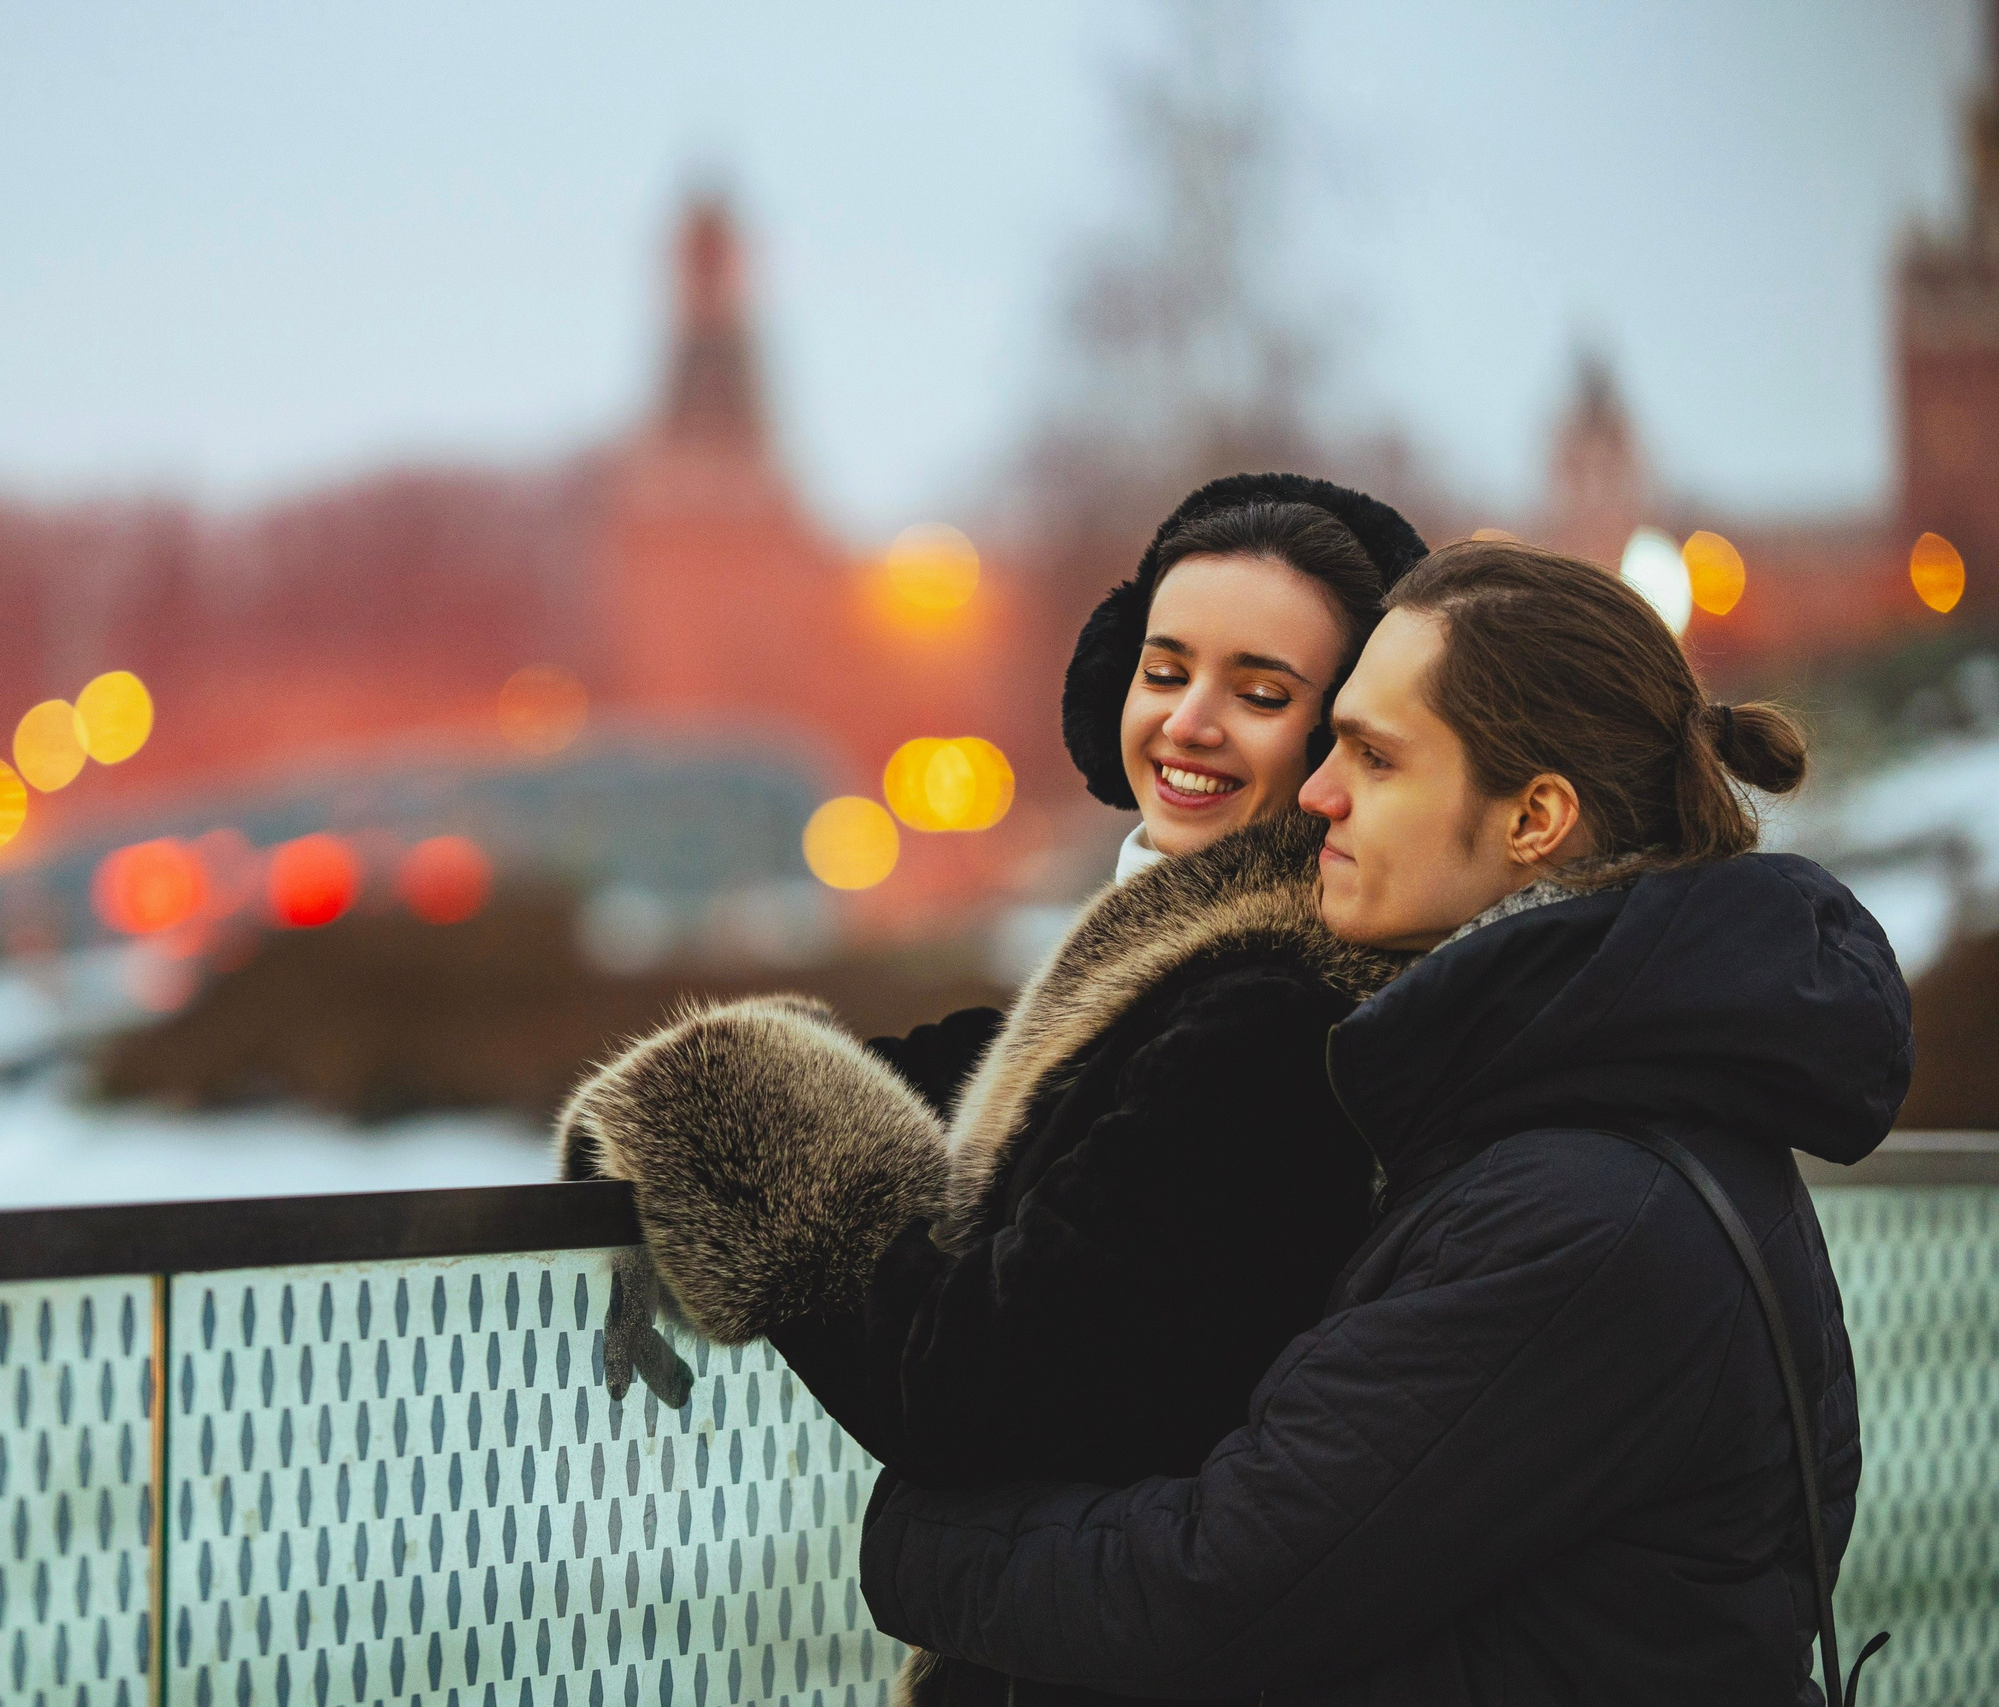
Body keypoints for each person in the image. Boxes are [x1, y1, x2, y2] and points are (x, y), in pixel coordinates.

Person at [857, 539, 1912, 1707]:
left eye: (1372, 755)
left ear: (1536, 818)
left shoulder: (1580, 1216)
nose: (1316, 792)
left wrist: (914, 1536)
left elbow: (1205, 1591)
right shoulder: (1557, 1110)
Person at [557, 472, 1426, 1707]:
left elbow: (970, 1389)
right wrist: (758, 1077)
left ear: (1342, 742)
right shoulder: (1195, 981)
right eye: (1165, 670)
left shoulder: (1270, 1027)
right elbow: (999, 1083)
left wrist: (730, 1123)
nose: (1187, 722)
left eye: (1262, 692)